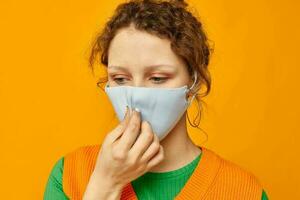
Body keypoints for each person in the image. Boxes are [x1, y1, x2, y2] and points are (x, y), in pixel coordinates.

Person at [44, 0, 269, 199]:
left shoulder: (243, 192)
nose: (137, 94)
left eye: (158, 78)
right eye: (121, 78)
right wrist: (105, 184)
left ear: (195, 82)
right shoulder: (71, 175)